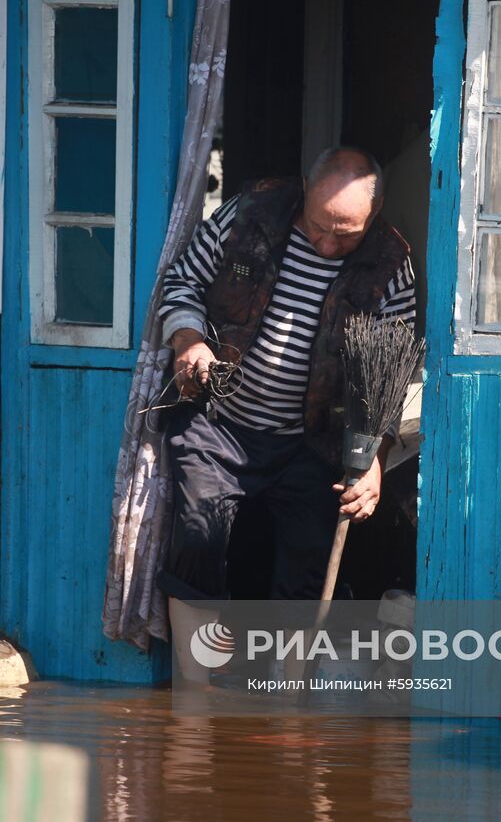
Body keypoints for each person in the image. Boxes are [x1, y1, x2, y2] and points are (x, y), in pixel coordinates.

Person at [157, 146, 417, 603]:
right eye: (319, 227)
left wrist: (375, 458)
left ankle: (287, 672)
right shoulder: (249, 215)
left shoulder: (391, 265)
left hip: (311, 443)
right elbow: (183, 280)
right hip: (219, 427)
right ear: (304, 192)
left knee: (307, 571)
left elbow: (389, 374)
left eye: (346, 235)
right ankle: (201, 672)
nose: (327, 246)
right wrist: (188, 341)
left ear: (374, 215)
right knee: (199, 542)